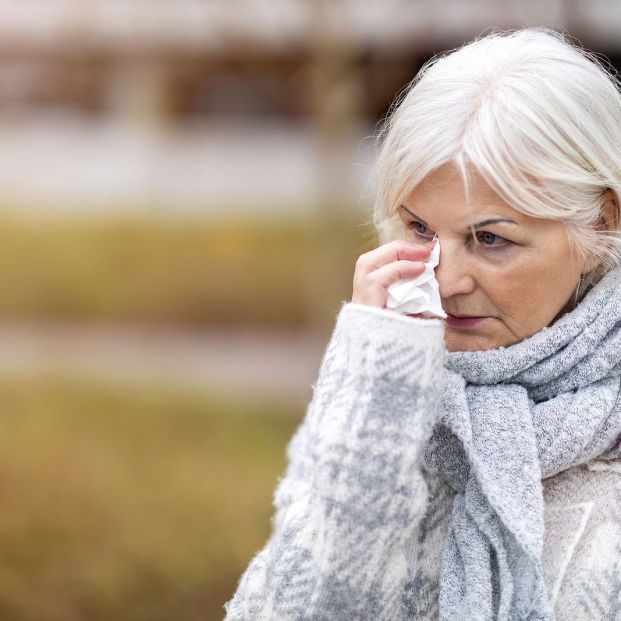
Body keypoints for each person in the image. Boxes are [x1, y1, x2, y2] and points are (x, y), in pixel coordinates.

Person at [223, 27, 621, 620]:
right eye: (420, 230)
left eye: (490, 239)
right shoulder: (384, 398)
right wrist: (367, 392)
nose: (444, 279)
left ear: (604, 224)